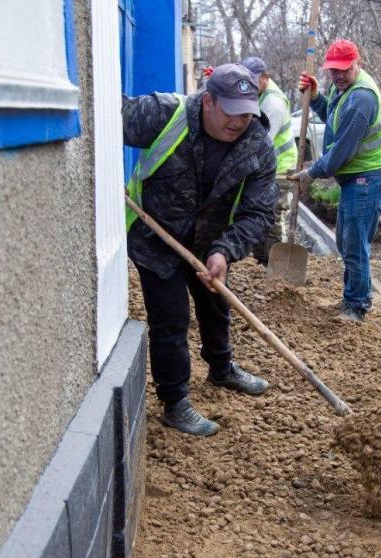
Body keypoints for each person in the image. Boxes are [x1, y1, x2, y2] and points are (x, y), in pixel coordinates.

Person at [123, 64, 278, 437]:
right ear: (208, 100)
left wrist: (225, 251)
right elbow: (105, 117)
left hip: (210, 240)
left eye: (247, 112)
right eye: (231, 111)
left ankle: (222, 368)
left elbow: (258, 212)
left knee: (215, 303)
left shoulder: (258, 145)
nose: (240, 121)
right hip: (155, 238)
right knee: (171, 318)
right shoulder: (164, 114)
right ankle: (175, 402)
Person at [288, 39, 381, 321]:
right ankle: (354, 296)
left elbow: (342, 153)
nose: (336, 76)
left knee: (353, 241)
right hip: (358, 177)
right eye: (332, 71)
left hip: (370, 177)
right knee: (345, 239)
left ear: (356, 64)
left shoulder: (362, 99)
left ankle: (357, 305)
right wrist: (315, 98)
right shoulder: (346, 89)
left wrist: (310, 174)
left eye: (342, 70)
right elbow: (335, 120)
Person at [239, 56, 299, 265]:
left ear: (265, 78)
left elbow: (262, 142)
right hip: (266, 169)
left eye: (254, 81)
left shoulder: (273, 103)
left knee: (273, 216)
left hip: (280, 169)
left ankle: (277, 267)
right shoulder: (259, 95)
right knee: (259, 213)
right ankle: (262, 262)